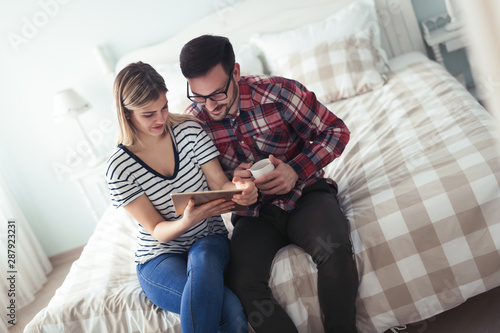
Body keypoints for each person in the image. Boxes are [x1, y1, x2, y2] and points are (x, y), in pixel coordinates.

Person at [179, 35, 359, 333]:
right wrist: (234, 187)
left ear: (235, 73)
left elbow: (336, 131)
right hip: (254, 215)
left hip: (305, 196)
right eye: (198, 96)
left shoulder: (278, 93)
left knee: (336, 249)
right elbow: (204, 185)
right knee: (240, 283)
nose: (208, 106)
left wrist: (296, 169)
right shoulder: (194, 123)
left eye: (217, 95)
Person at [105, 61, 257, 333]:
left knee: (204, 258)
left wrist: (238, 191)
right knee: (230, 311)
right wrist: (189, 219)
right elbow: (158, 232)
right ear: (127, 114)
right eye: (148, 114)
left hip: (208, 239)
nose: (161, 119)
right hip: (158, 257)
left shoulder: (189, 130)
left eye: (164, 107)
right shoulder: (119, 168)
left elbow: (219, 183)